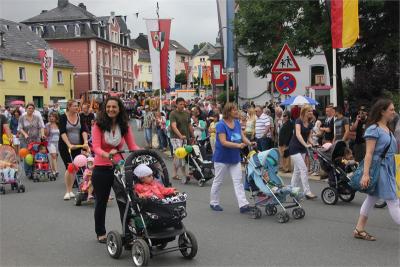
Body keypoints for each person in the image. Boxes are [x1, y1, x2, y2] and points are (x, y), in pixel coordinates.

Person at [91, 97, 140, 243]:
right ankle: (100, 232)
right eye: (108, 107)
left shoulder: (124, 126)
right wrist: (107, 154)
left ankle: (127, 233)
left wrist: (142, 151)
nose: (111, 109)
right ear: (105, 108)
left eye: (114, 107)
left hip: (119, 168)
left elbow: (132, 146)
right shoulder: (98, 126)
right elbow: (96, 147)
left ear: (120, 109)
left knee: (124, 201)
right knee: (101, 201)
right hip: (101, 168)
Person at [353, 99, 400, 241]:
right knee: (393, 200)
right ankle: (359, 229)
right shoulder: (373, 129)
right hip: (380, 168)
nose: (394, 112)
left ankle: (359, 229)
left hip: (388, 167)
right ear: (382, 111)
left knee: (372, 198)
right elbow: (369, 154)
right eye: (391, 109)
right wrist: (366, 174)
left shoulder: (388, 128)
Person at [209, 102, 254, 213]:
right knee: (218, 181)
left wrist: (250, 143)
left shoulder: (237, 123)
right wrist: (238, 145)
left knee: (238, 181)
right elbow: (223, 142)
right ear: (228, 112)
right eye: (234, 110)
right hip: (222, 158)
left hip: (234, 158)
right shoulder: (220, 125)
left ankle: (243, 205)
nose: (236, 112)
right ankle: (214, 202)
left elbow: (242, 136)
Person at [59, 100, 89, 200]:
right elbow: (62, 132)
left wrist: (85, 142)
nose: (77, 108)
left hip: (78, 145)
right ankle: (68, 191)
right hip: (65, 147)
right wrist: (69, 144)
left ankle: (71, 189)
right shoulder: (63, 117)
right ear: (69, 107)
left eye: (77, 106)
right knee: (70, 167)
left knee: (75, 168)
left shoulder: (80, 117)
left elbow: (84, 130)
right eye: (75, 106)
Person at [288, 105, 317, 199]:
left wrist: (313, 144)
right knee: (304, 169)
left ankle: (292, 190)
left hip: (303, 148)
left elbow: (309, 137)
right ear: (304, 112)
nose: (311, 113)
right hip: (294, 147)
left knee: (297, 171)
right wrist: (305, 144)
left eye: (312, 111)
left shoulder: (310, 123)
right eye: (309, 111)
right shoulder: (298, 121)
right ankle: (307, 192)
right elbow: (298, 134)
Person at [169, 97, 195, 181]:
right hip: (176, 137)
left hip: (185, 137)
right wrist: (180, 135)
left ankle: (174, 173)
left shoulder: (186, 113)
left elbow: (189, 125)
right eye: (180, 104)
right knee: (180, 155)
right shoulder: (173, 114)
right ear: (176, 104)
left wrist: (193, 135)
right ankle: (184, 174)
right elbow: (173, 126)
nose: (182, 106)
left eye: (183, 104)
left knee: (179, 156)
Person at [18, 103, 45, 178]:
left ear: (34, 110)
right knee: (27, 155)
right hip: (25, 139)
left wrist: (42, 134)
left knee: (35, 155)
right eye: (29, 108)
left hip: (35, 139)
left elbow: (41, 127)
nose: (30, 110)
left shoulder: (37, 117)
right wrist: (25, 134)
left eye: (32, 108)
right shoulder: (22, 118)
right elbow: (20, 128)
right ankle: (28, 172)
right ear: (26, 109)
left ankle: (34, 170)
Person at [45, 112, 60, 176]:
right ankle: (56, 171)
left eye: (53, 117)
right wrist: (47, 127)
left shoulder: (58, 124)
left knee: (55, 157)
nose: (51, 118)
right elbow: (46, 134)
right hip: (50, 142)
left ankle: (53, 170)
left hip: (57, 142)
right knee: (53, 155)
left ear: (56, 118)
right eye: (50, 117)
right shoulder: (47, 125)